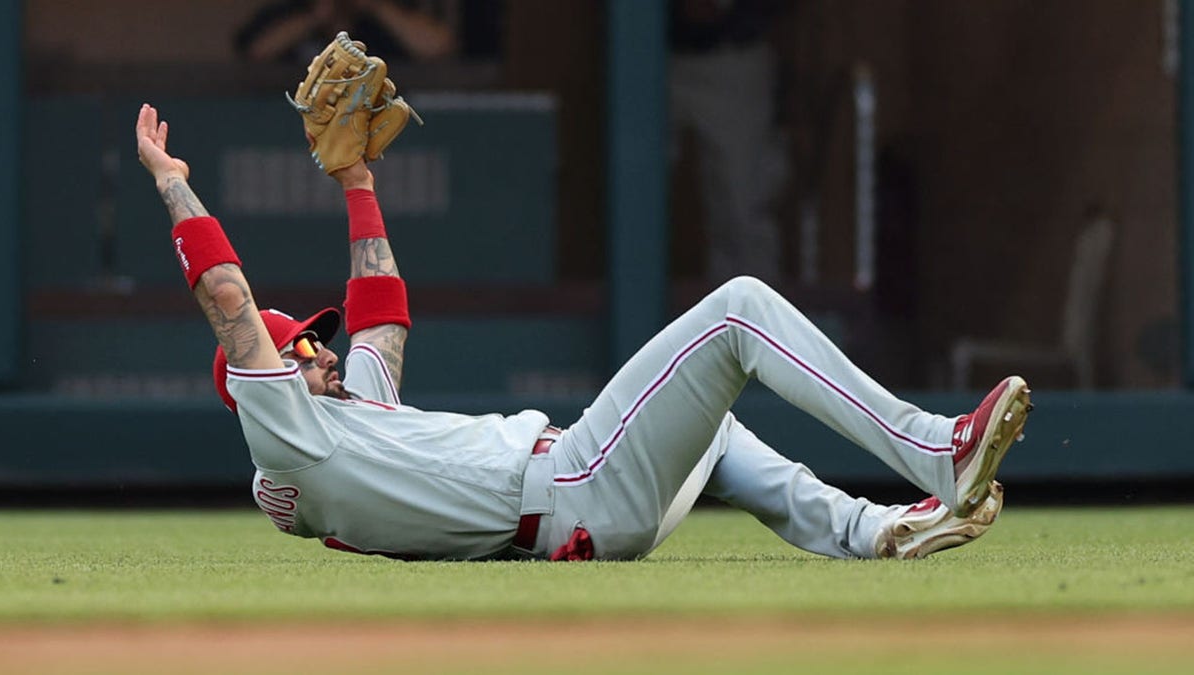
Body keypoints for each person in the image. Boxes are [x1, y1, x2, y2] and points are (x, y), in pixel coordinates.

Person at [135, 102, 1031, 562]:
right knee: (740, 308)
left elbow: (384, 310)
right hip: (571, 489)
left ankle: (874, 531)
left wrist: (357, 180)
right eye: (302, 347)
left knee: (711, 424)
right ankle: (935, 452)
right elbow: (226, 296)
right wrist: (174, 183)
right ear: (258, 385)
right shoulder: (289, 439)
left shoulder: (343, 425)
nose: (321, 348)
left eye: (315, 340)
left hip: (580, 509)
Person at [670, 0, 788, 283]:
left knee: (741, 203)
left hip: (734, 56)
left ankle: (753, 320)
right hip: (650, 52)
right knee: (634, 195)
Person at [234, 0, 460, 65]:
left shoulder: (388, 17)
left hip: (378, 132)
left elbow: (440, 45)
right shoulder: (289, 13)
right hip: (299, 131)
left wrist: (378, 7)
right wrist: (316, 17)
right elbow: (256, 52)